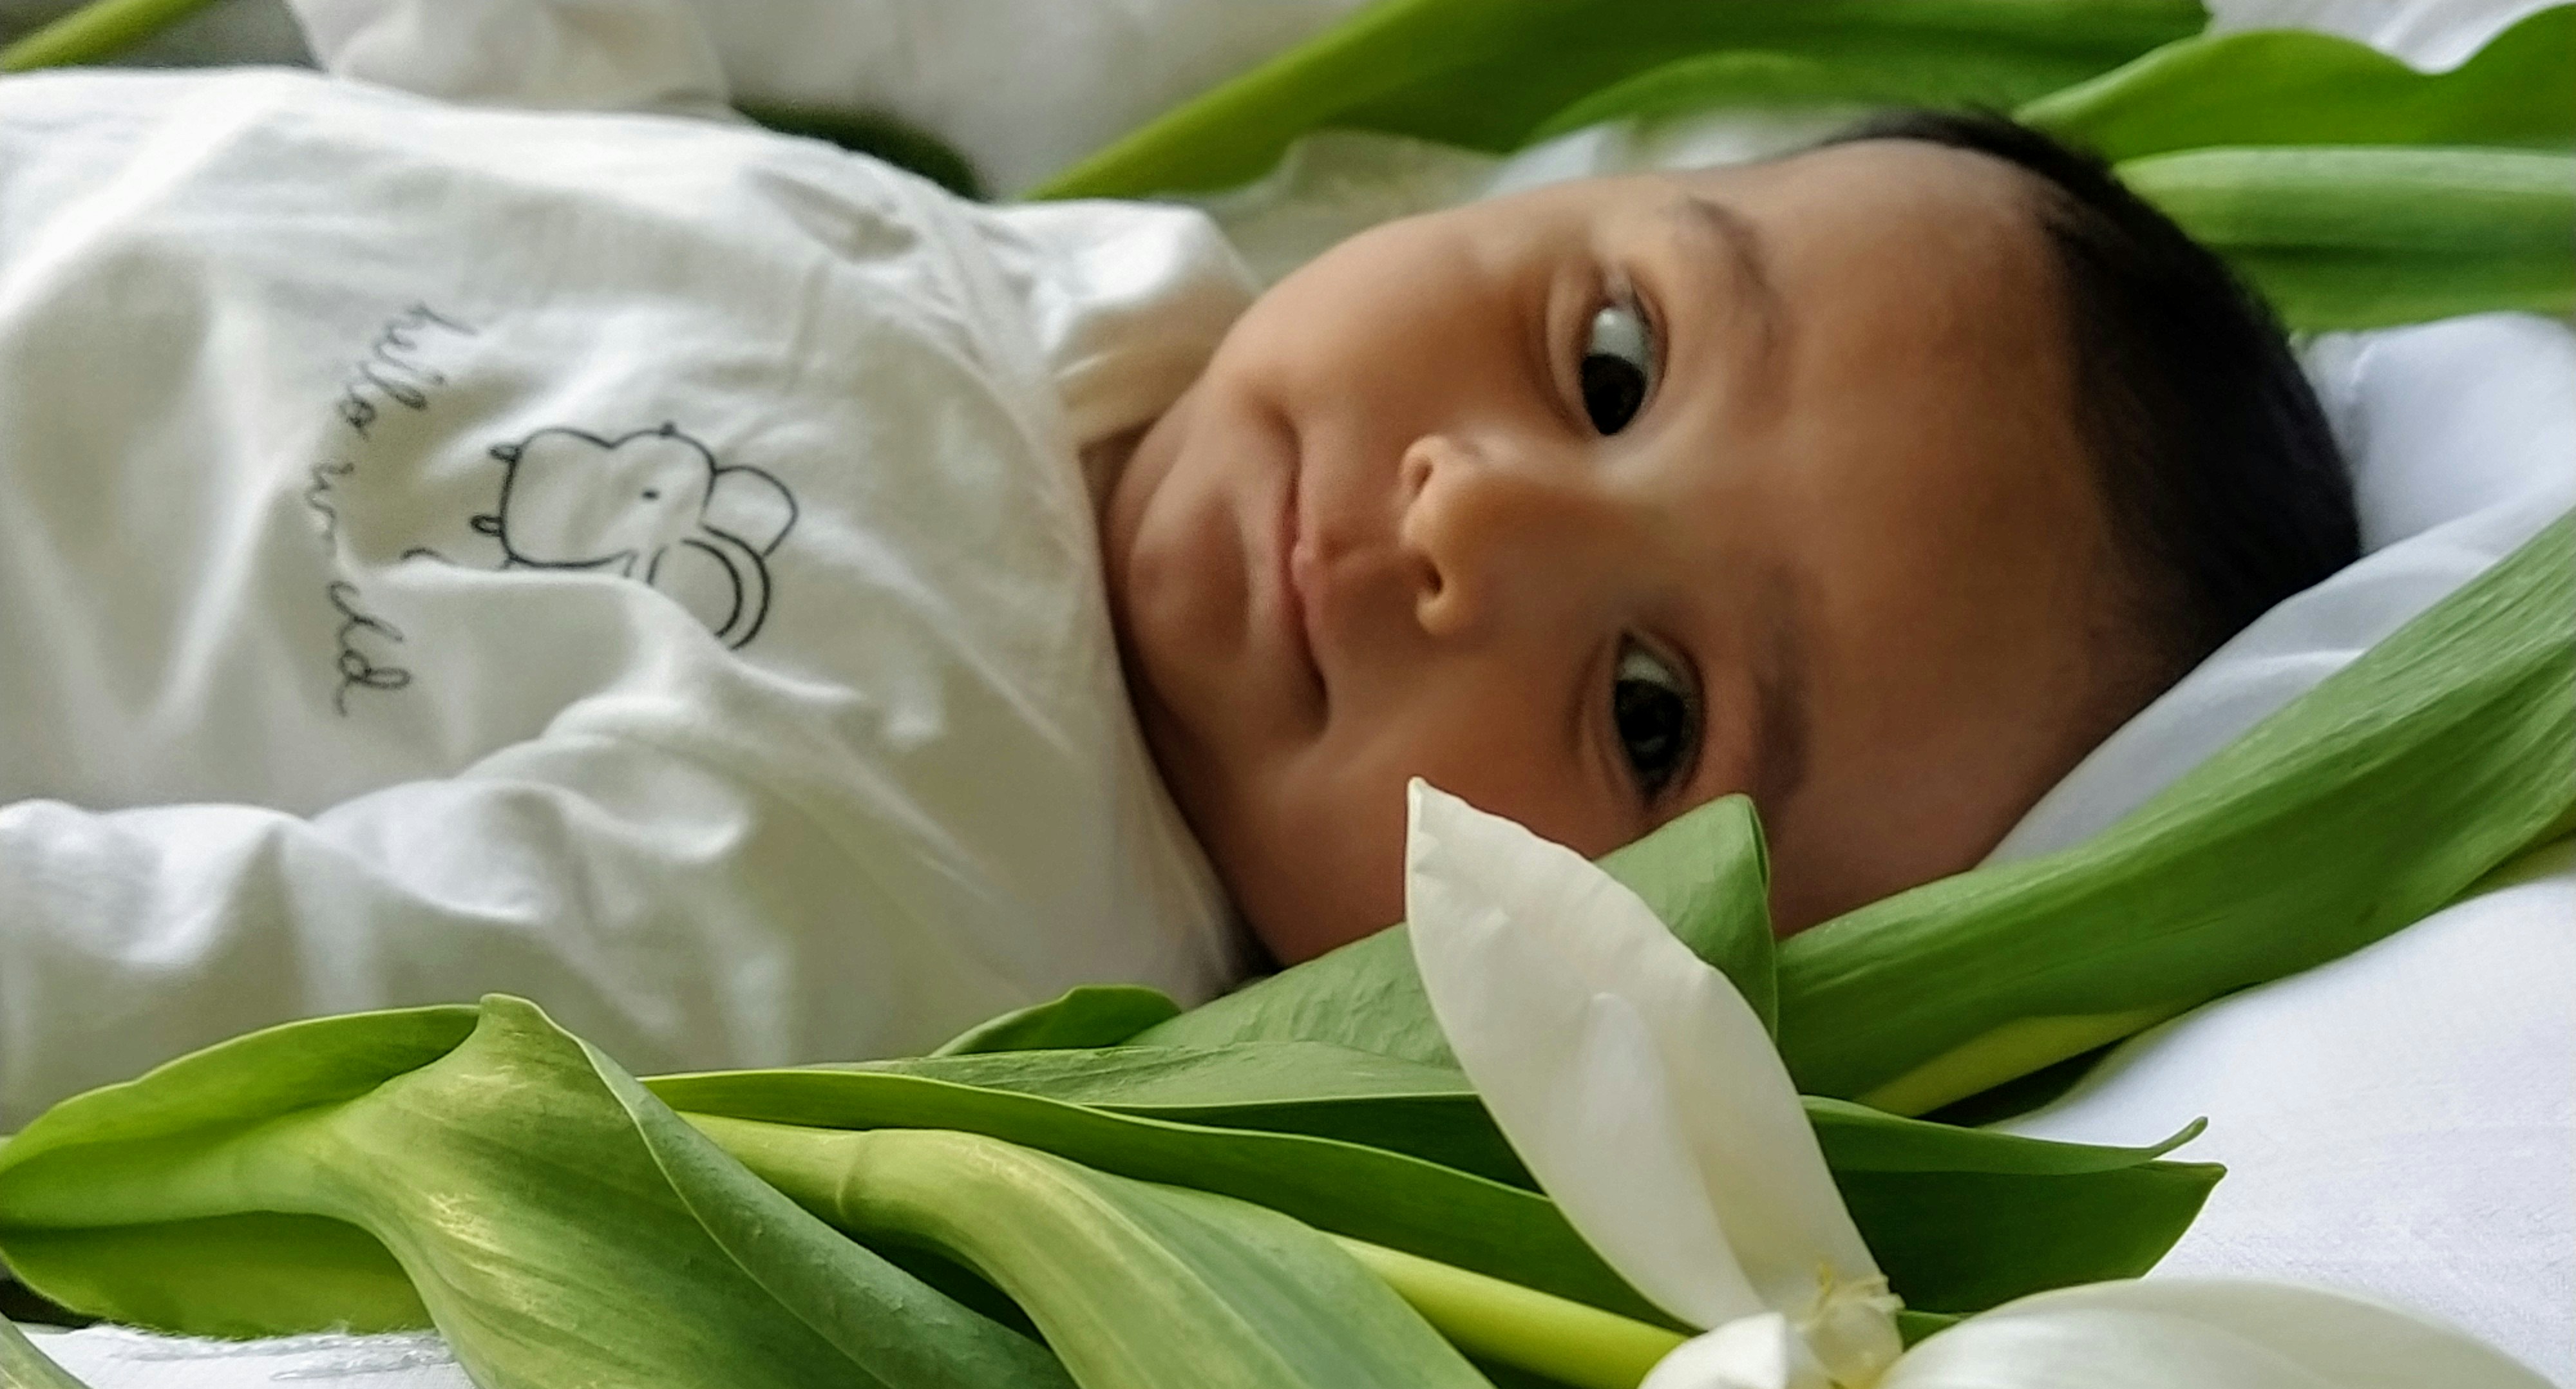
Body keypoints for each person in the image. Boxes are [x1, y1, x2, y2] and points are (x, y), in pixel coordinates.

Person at [0, 28, 2354, 1129]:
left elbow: (245, 979)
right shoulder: (1103, 306)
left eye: (1652, 720)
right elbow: (579, 156)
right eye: (1614, 357)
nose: (1471, 521)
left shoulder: (943, 900)